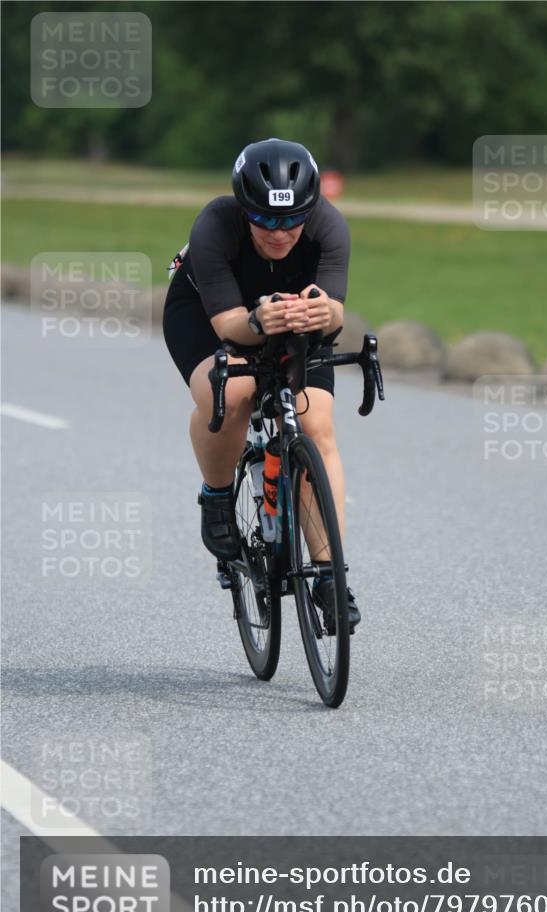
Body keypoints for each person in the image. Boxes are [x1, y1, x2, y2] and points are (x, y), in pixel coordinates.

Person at [163, 137, 360, 628]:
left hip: (291, 319)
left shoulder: (330, 226)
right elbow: (229, 325)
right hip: (215, 314)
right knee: (230, 394)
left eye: (292, 219)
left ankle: (328, 573)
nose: (279, 232)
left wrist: (326, 311)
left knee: (316, 423)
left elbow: (334, 313)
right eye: (266, 220)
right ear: (244, 208)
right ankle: (215, 496)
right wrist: (256, 322)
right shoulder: (214, 225)